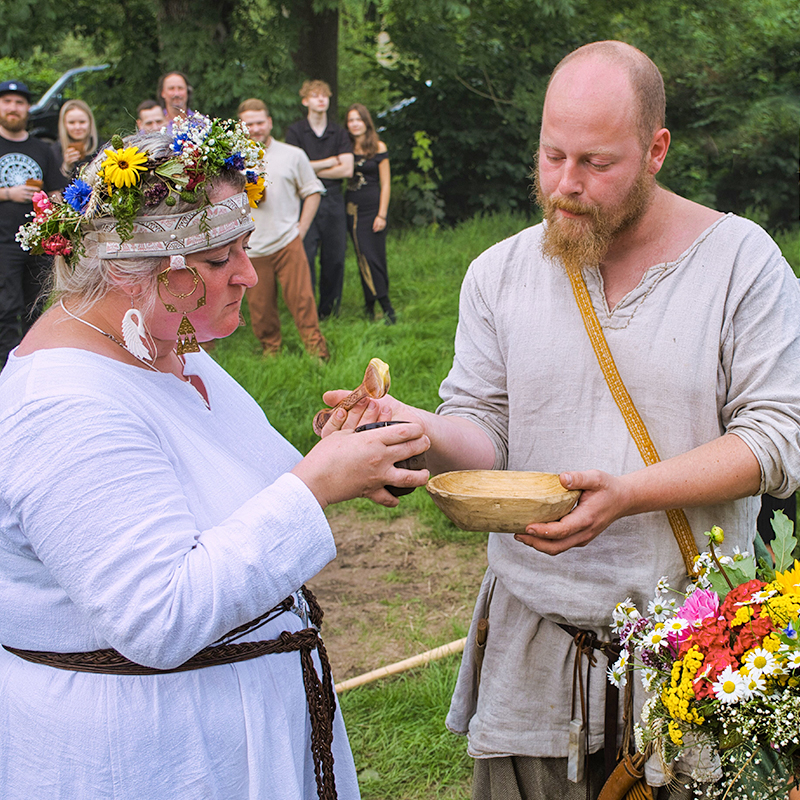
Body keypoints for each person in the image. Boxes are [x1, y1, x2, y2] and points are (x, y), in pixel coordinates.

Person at [322, 41, 800, 799]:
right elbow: (483, 430)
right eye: (552, 156)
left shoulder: (742, 263)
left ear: (656, 150)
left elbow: (778, 439)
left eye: (596, 164)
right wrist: (411, 425)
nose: (565, 186)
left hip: (695, 659)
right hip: (536, 657)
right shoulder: (498, 273)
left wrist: (629, 494)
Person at [0, 116, 429, 799]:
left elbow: (229, 497)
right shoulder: (63, 405)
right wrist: (314, 487)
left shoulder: (165, 347)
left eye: (245, 250)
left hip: (232, 731)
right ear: (133, 272)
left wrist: (339, 452)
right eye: (218, 259)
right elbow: (158, 614)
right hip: (150, 758)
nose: (247, 277)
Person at [238, 98, 329, 360]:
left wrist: (301, 229)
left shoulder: (292, 155)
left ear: (269, 123)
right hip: (253, 247)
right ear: (242, 127)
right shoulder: (233, 161)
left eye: (259, 122)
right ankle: (271, 351)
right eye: (249, 124)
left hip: (288, 240)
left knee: (302, 300)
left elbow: (313, 191)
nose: (255, 128)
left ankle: (316, 351)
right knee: (260, 307)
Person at [0, 79, 66, 370]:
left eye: (19, 103)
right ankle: (5, 371)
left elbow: (55, 190)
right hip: (3, 243)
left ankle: (30, 369)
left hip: (38, 245)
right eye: (7, 102)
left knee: (35, 310)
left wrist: (50, 202)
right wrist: (8, 194)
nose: (13, 108)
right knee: (6, 309)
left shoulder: (42, 149)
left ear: (28, 108)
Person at [285, 80, 353, 319]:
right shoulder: (296, 132)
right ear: (305, 101)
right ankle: (308, 311)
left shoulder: (339, 132)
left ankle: (329, 312)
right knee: (306, 257)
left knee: (334, 258)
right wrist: (328, 162)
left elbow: (346, 170)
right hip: (304, 201)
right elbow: (292, 169)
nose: (320, 99)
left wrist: (309, 167)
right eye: (315, 95)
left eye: (324, 95)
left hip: (334, 199)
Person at [345, 103, 395, 325]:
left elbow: (386, 183)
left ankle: (383, 305)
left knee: (376, 257)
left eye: (358, 119)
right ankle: (373, 305)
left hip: (374, 210)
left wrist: (382, 214)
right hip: (353, 211)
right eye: (350, 120)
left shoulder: (378, 146)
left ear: (366, 122)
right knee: (362, 256)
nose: (354, 124)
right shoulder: (345, 148)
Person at [55, 99, 98, 178]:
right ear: (64, 124)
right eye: (71, 122)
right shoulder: (55, 152)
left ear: (90, 122)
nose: (77, 127)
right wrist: (66, 167)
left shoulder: (103, 149)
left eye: (82, 122)